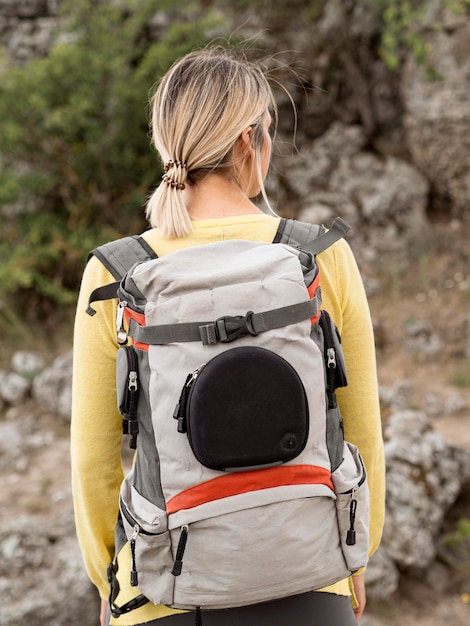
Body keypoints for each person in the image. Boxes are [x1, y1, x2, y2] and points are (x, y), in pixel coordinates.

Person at [71, 46, 385, 626]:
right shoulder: (319, 256)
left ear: (167, 144)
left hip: (162, 585)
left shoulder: (116, 273)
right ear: (249, 141)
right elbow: (361, 426)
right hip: (312, 573)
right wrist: (354, 558)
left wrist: (110, 580)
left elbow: (94, 462)